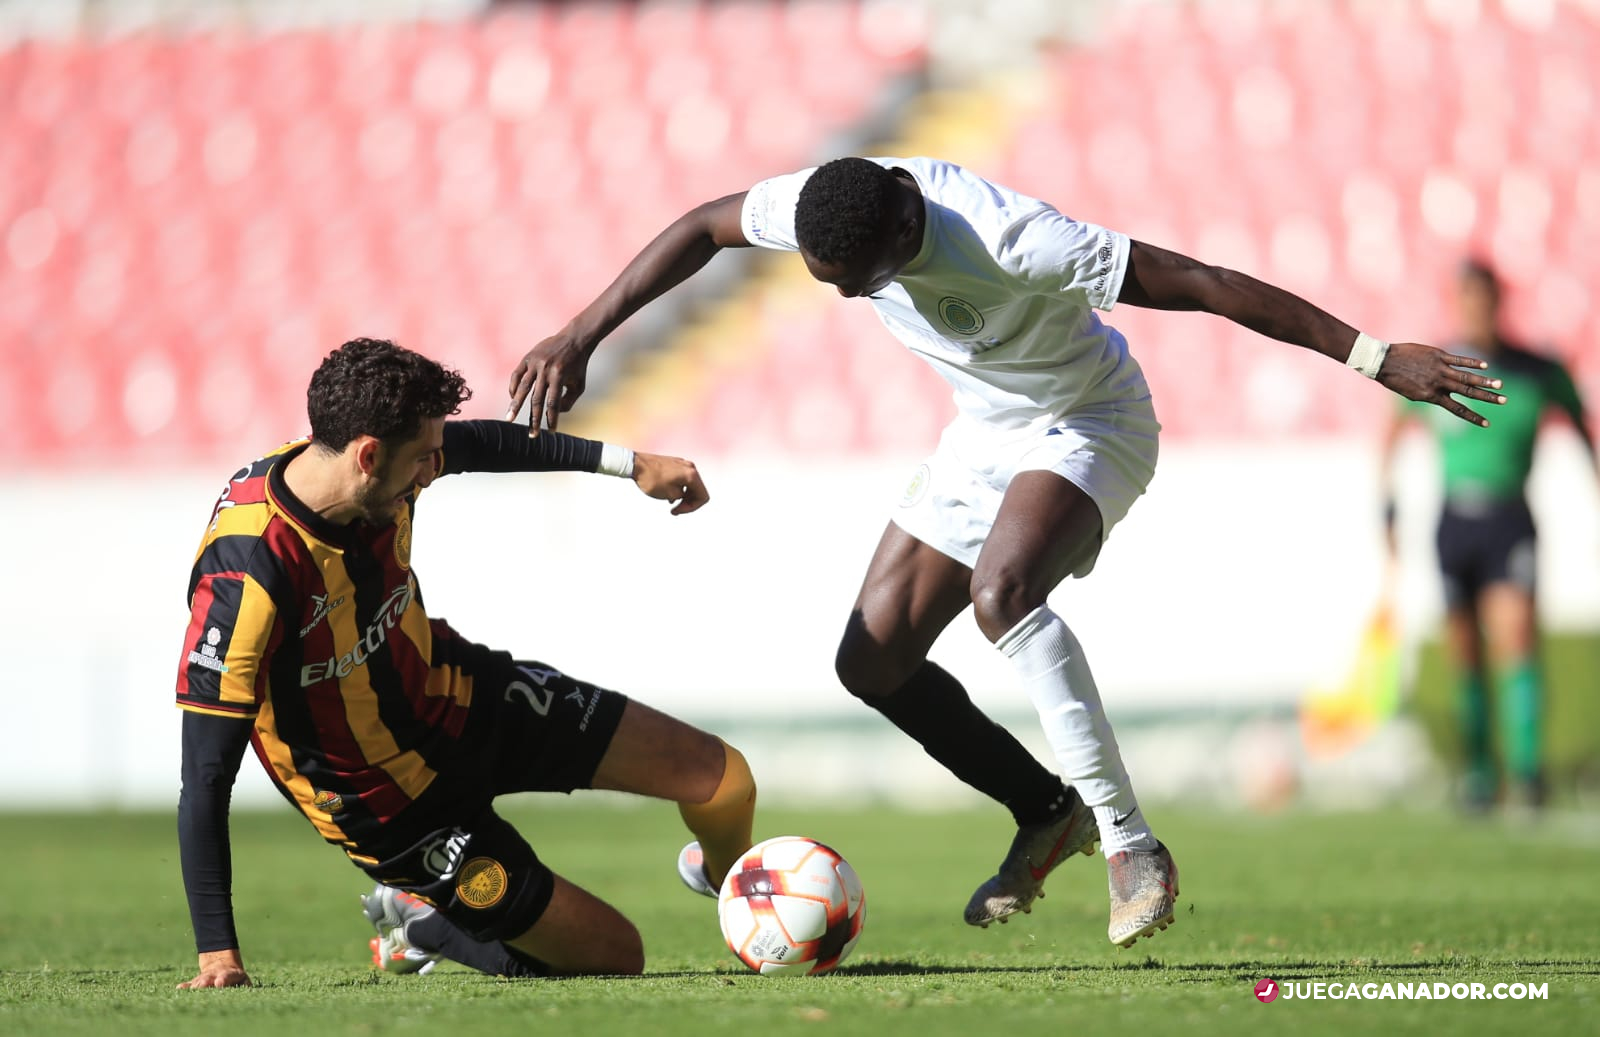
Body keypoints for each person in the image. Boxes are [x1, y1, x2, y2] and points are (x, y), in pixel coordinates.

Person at [505, 157, 1505, 948]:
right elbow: (700, 227)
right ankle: (1044, 810)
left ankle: (1129, 843)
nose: (853, 300)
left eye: (861, 283)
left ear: (905, 228)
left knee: (1003, 593)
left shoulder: (1016, 238)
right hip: (983, 436)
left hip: (1087, 421)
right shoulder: (830, 200)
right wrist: (582, 331)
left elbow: (1198, 281)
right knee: (872, 658)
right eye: (832, 285)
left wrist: (1376, 356)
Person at [176, 337, 758, 987]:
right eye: (424, 460)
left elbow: (485, 443)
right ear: (369, 456)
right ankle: (425, 922)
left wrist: (630, 463)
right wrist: (218, 955)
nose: (434, 470)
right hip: (390, 806)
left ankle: (747, 902)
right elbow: (205, 773)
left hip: (463, 694)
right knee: (618, 955)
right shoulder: (247, 571)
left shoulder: (372, 465)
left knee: (722, 776)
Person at [1379, 258, 1596, 813]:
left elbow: (1580, 427)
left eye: (1485, 298)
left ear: (1499, 301)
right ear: (1457, 303)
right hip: (1453, 521)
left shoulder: (1536, 370)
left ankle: (1528, 774)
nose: (1476, 309)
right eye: (1466, 298)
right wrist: (1388, 512)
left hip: (1509, 518)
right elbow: (1392, 436)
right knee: (1465, 651)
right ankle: (1480, 775)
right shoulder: (1435, 369)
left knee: (1516, 637)